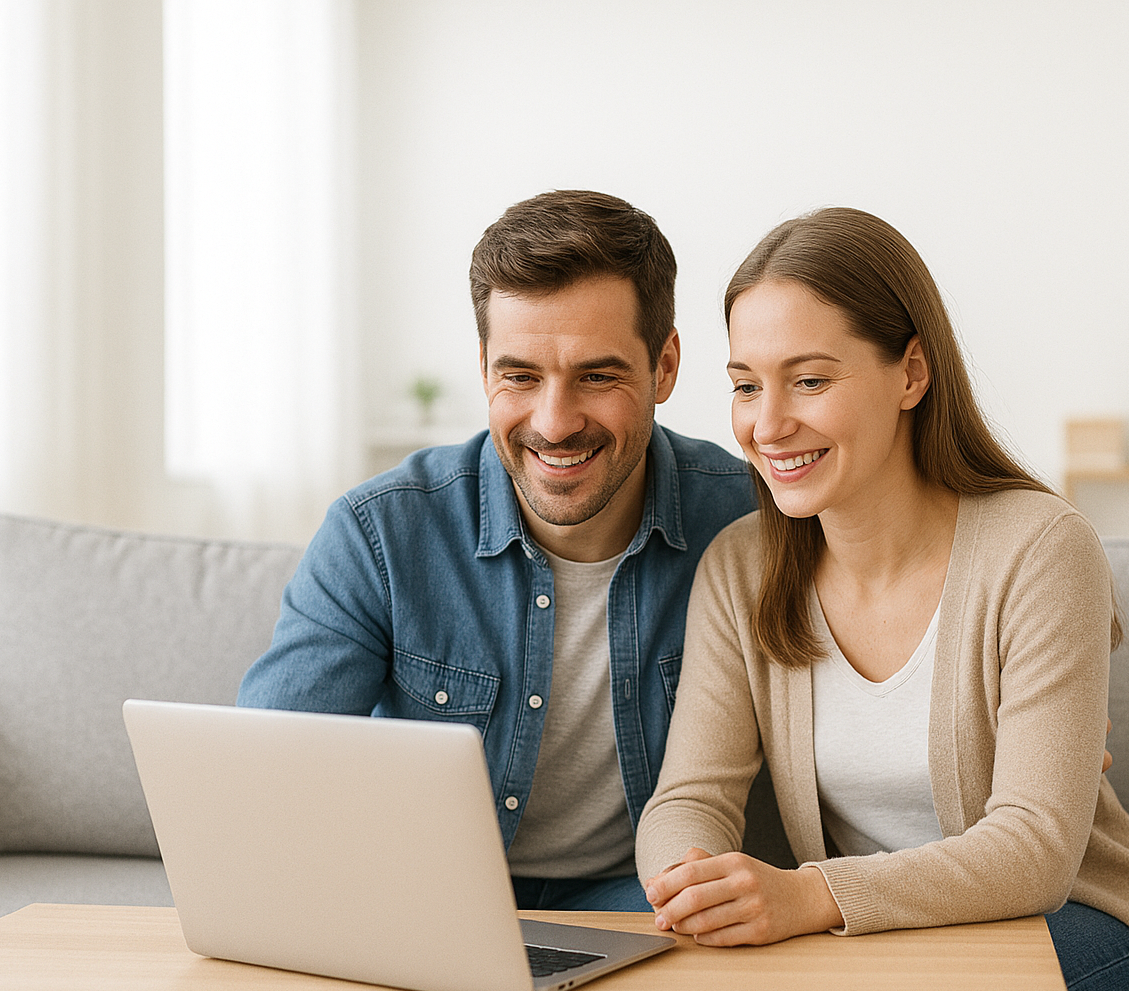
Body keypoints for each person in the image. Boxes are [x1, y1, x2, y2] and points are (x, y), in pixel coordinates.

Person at [635, 208, 1129, 991]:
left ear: (911, 374)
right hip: (869, 931)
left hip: (1073, 913)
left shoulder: (1041, 548)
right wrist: (690, 882)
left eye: (812, 380)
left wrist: (811, 896)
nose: (767, 424)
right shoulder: (740, 567)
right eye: (747, 384)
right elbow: (690, 796)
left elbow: (1035, 850)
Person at [237, 190, 756, 912]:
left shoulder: (753, 521)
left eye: (597, 376)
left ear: (664, 366)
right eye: (519, 376)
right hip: (432, 905)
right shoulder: (379, 536)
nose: (554, 422)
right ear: (484, 367)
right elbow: (266, 782)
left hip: (649, 907)